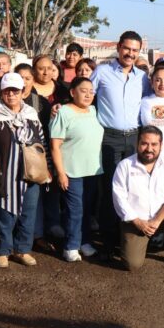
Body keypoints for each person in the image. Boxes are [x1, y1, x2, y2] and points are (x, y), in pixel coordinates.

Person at [90, 31, 152, 258]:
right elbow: (86, 95)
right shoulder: (103, 72)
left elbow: (150, 102)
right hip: (110, 137)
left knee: (133, 187)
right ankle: (107, 239)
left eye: (135, 50)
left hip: (134, 137)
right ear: (119, 47)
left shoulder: (142, 77)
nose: (130, 54)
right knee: (110, 188)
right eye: (127, 48)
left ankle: (127, 236)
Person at [0, 73, 45, 268]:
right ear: (2, 92)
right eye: (7, 91)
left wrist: (44, 169)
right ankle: (3, 250)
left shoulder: (31, 113)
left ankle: (22, 250)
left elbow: (41, 142)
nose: (11, 95)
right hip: (5, 173)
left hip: (30, 173)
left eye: (15, 91)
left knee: (28, 214)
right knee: (4, 214)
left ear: (23, 92)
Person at [113, 126, 164, 270]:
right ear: (137, 144)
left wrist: (157, 220)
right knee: (132, 265)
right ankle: (137, 241)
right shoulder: (124, 166)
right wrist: (138, 222)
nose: (149, 148)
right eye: (144, 143)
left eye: (154, 144)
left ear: (161, 145)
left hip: (160, 218)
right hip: (135, 221)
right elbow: (119, 199)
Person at [50, 77, 103, 262]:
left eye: (91, 91)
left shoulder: (95, 110)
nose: (88, 94)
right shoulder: (63, 112)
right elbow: (55, 146)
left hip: (93, 170)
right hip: (72, 171)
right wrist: (61, 173)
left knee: (87, 209)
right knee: (75, 209)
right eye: (83, 90)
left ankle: (84, 241)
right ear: (72, 92)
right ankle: (71, 245)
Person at [15, 63, 60, 251]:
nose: (24, 82)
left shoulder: (41, 102)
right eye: (20, 78)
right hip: (12, 157)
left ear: (32, 80)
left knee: (36, 196)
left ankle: (37, 234)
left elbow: (47, 133)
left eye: (27, 78)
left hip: (36, 156)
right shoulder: (5, 100)